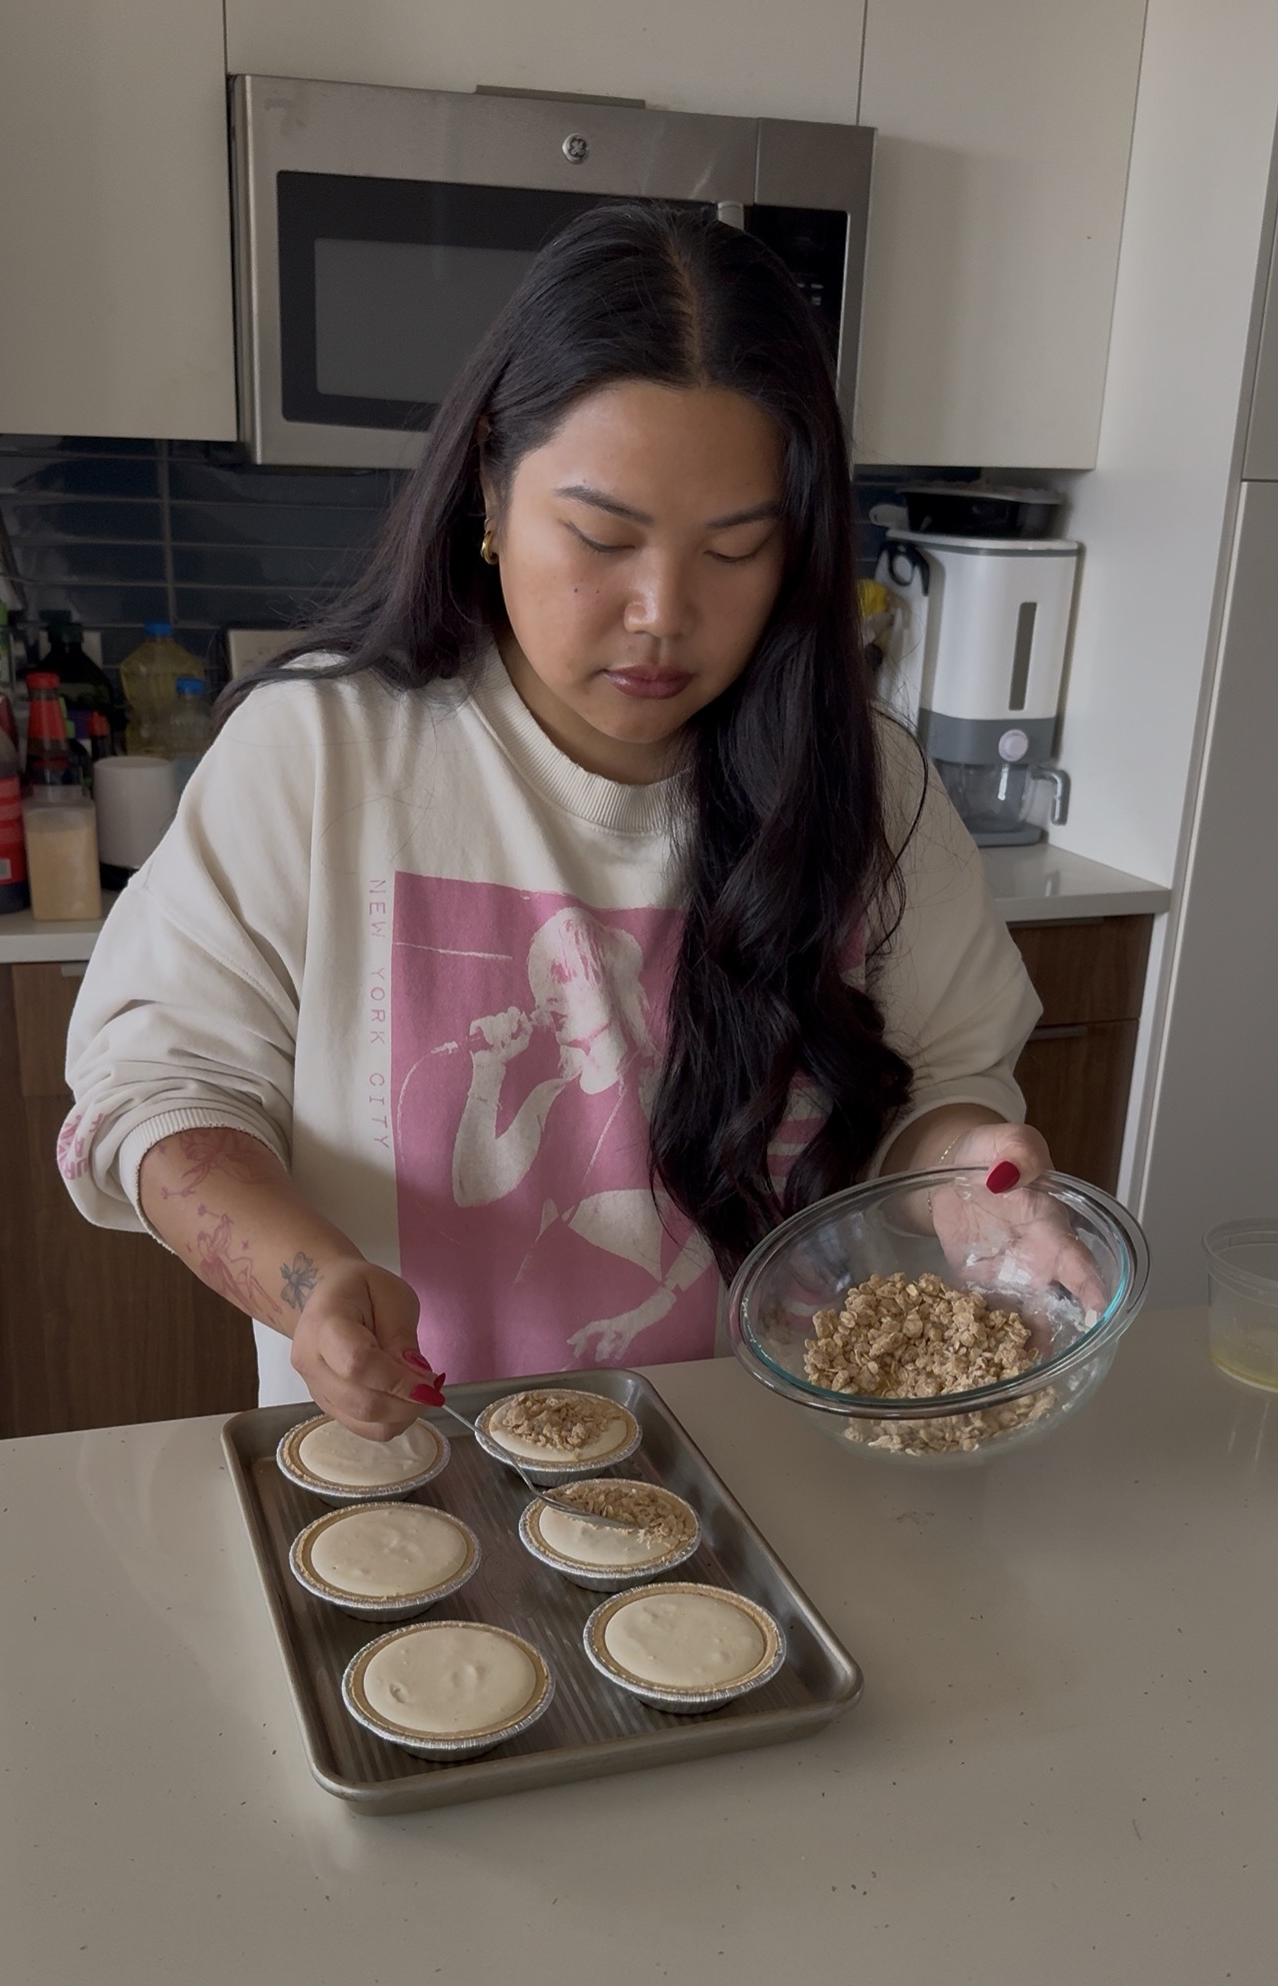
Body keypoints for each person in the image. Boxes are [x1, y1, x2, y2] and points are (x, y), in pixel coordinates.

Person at [60, 201, 1083, 1445]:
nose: (662, 611)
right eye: (602, 536)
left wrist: (969, 1173)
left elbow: (945, 1081)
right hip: (407, 1474)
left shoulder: (870, 787)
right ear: (489, 486)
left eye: (735, 550)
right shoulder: (324, 755)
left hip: (769, 1483)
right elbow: (159, 1089)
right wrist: (307, 1281)